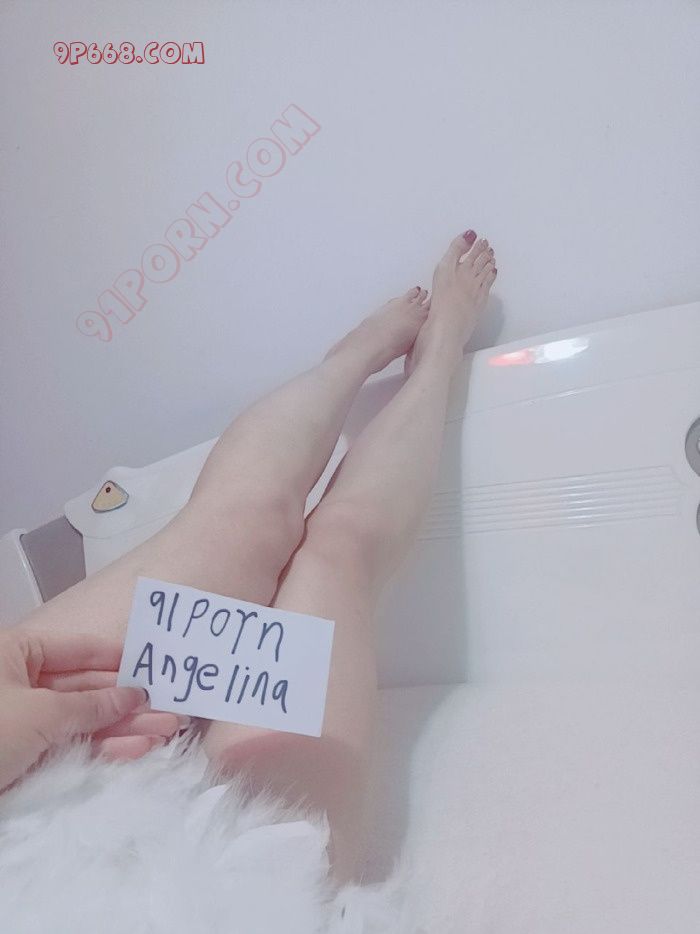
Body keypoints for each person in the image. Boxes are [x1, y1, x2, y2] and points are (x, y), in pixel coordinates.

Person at [5, 230, 497, 880]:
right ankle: (437, 361)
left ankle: (348, 359)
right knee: (335, 550)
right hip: (180, 896)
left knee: (240, 520)